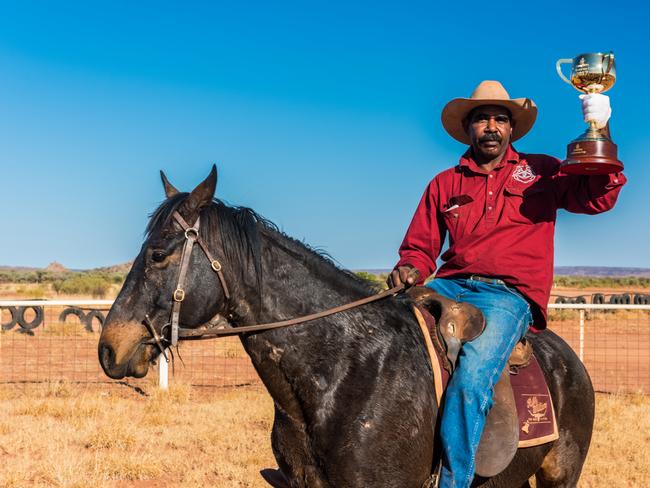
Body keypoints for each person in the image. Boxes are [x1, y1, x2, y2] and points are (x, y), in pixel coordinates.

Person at [387, 80, 626, 487]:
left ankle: (453, 481)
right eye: (482, 119)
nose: (492, 127)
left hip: (507, 295)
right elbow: (420, 247)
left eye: (500, 119)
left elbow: (598, 197)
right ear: (469, 129)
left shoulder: (542, 172)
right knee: (380, 335)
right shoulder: (445, 183)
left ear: (512, 128)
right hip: (448, 285)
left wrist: (599, 128)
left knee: (475, 370)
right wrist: (409, 267)